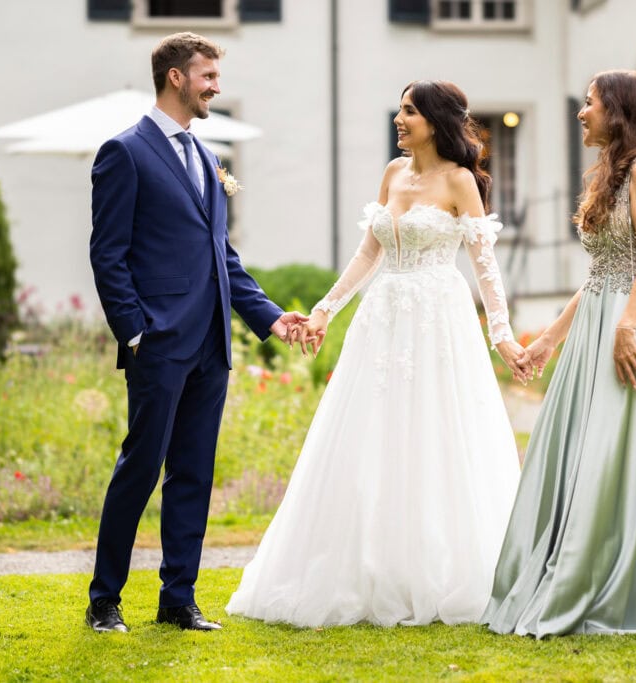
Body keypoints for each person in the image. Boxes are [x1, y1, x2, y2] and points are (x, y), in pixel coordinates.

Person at [226, 80, 529, 628]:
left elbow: (485, 265)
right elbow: (369, 250)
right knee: (372, 432)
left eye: (409, 111)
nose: (399, 118)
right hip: (384, 317)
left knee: (438, 434)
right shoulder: (393, 172)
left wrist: (502, 335)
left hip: (439, 318)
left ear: (435, 121)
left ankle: (442, 569)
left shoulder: (460, 181)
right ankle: (367, 566)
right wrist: (324, 310)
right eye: (399, 110)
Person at [86, 32, 306, 633]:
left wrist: (268, 315)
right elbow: (109, 255)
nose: (216, 87)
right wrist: (134, 332)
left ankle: (177, 599)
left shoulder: (204, 156)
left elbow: (221, 255)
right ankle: (105, 599)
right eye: (208, 76)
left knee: (194, 474)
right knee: (140, 467)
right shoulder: (124, 152)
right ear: (177, 78)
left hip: (212, 343)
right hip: (157, 344)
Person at [482, 70, 636, 637]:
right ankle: (571, 570)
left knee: (614, 453)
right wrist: (550, 338)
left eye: (590, 103)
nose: (582, 112)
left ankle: (619, 585)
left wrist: (626, 328)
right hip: (604, 320)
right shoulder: (613, 174)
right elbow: (601, 274)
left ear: (619, 112)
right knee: (577, 451)